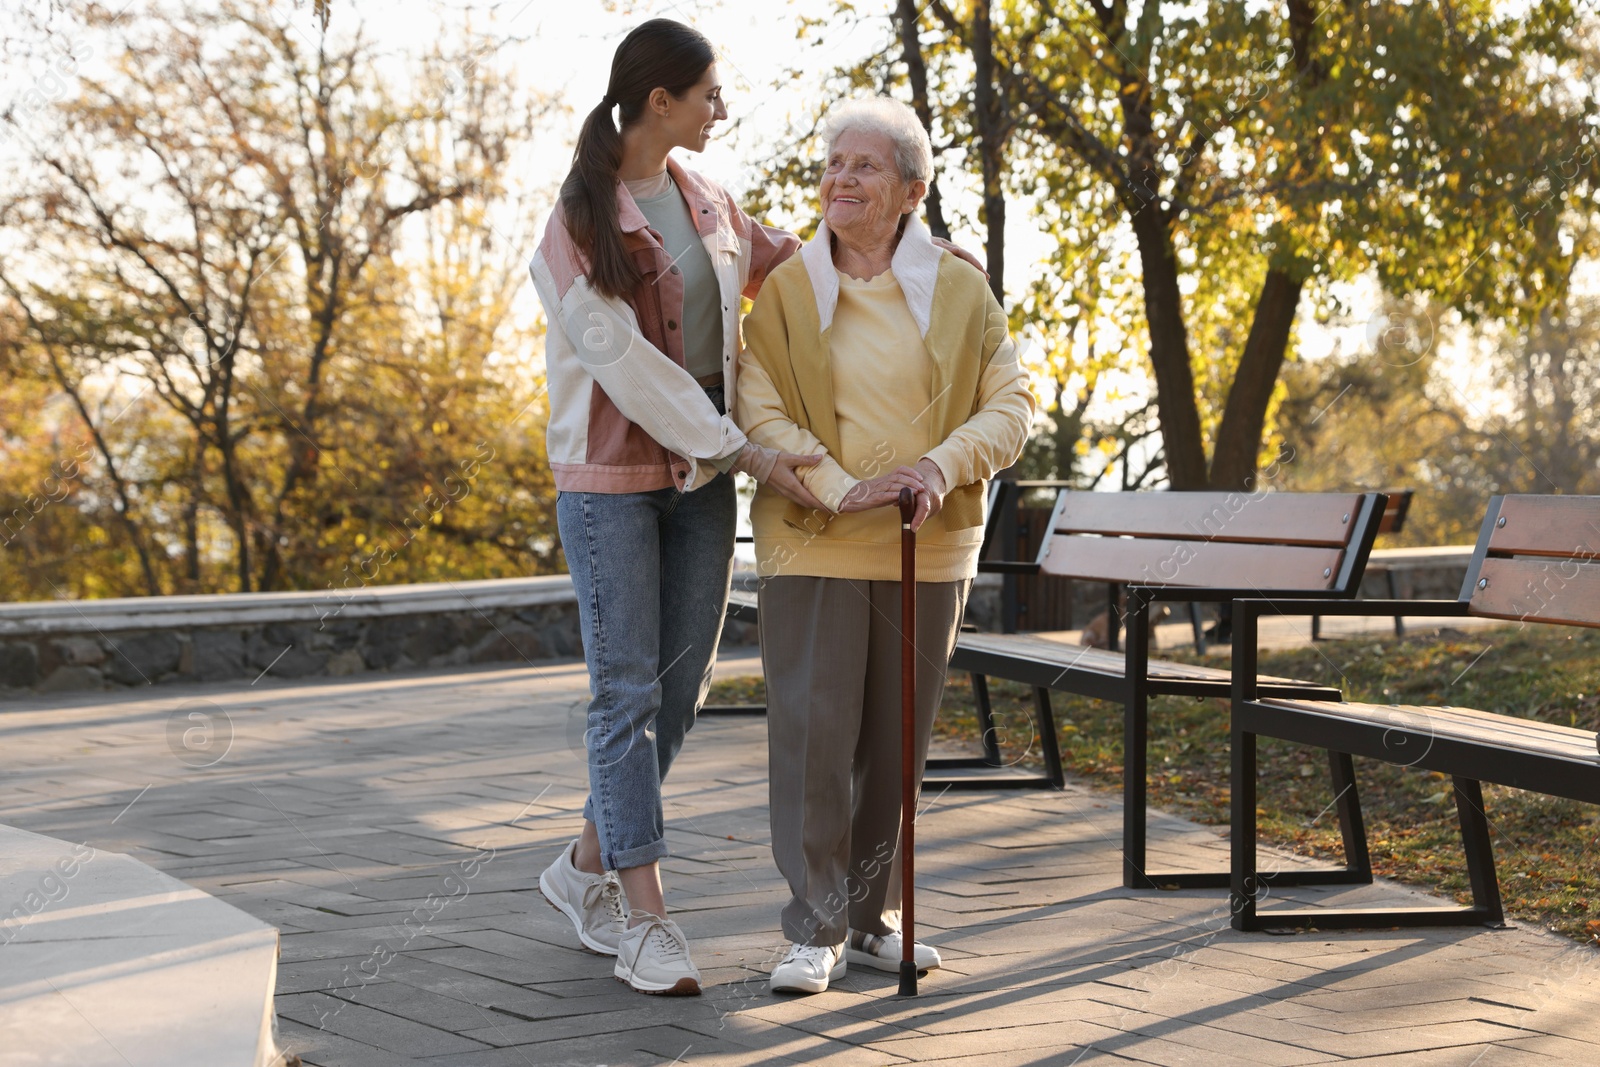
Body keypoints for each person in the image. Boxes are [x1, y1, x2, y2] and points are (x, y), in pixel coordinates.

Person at [528, 19, 828, 997]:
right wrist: (744, 448)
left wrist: (912, 252)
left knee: (681, 686)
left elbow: (788, 265)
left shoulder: (707, 199)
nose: (720, 109)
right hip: (613, 481)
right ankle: (644, 917)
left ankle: (581, 867)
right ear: (661, 101)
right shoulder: (574, 223)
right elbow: (629, 371)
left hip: (700, 478)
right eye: (708, 95)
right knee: (624, 692)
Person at [735, 97, 1036, 994]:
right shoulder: (786, 289)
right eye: (833, 164)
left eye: (864, 166)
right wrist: (838, 484)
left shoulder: (959, 286)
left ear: (911, 189)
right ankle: (814, 925)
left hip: (926, 543)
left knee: (896, 746)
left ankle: (873, 915)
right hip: (815, 538)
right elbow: (760, 405)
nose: (840, 180)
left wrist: (938, 468)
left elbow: (1010, 406)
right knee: (813, 739)